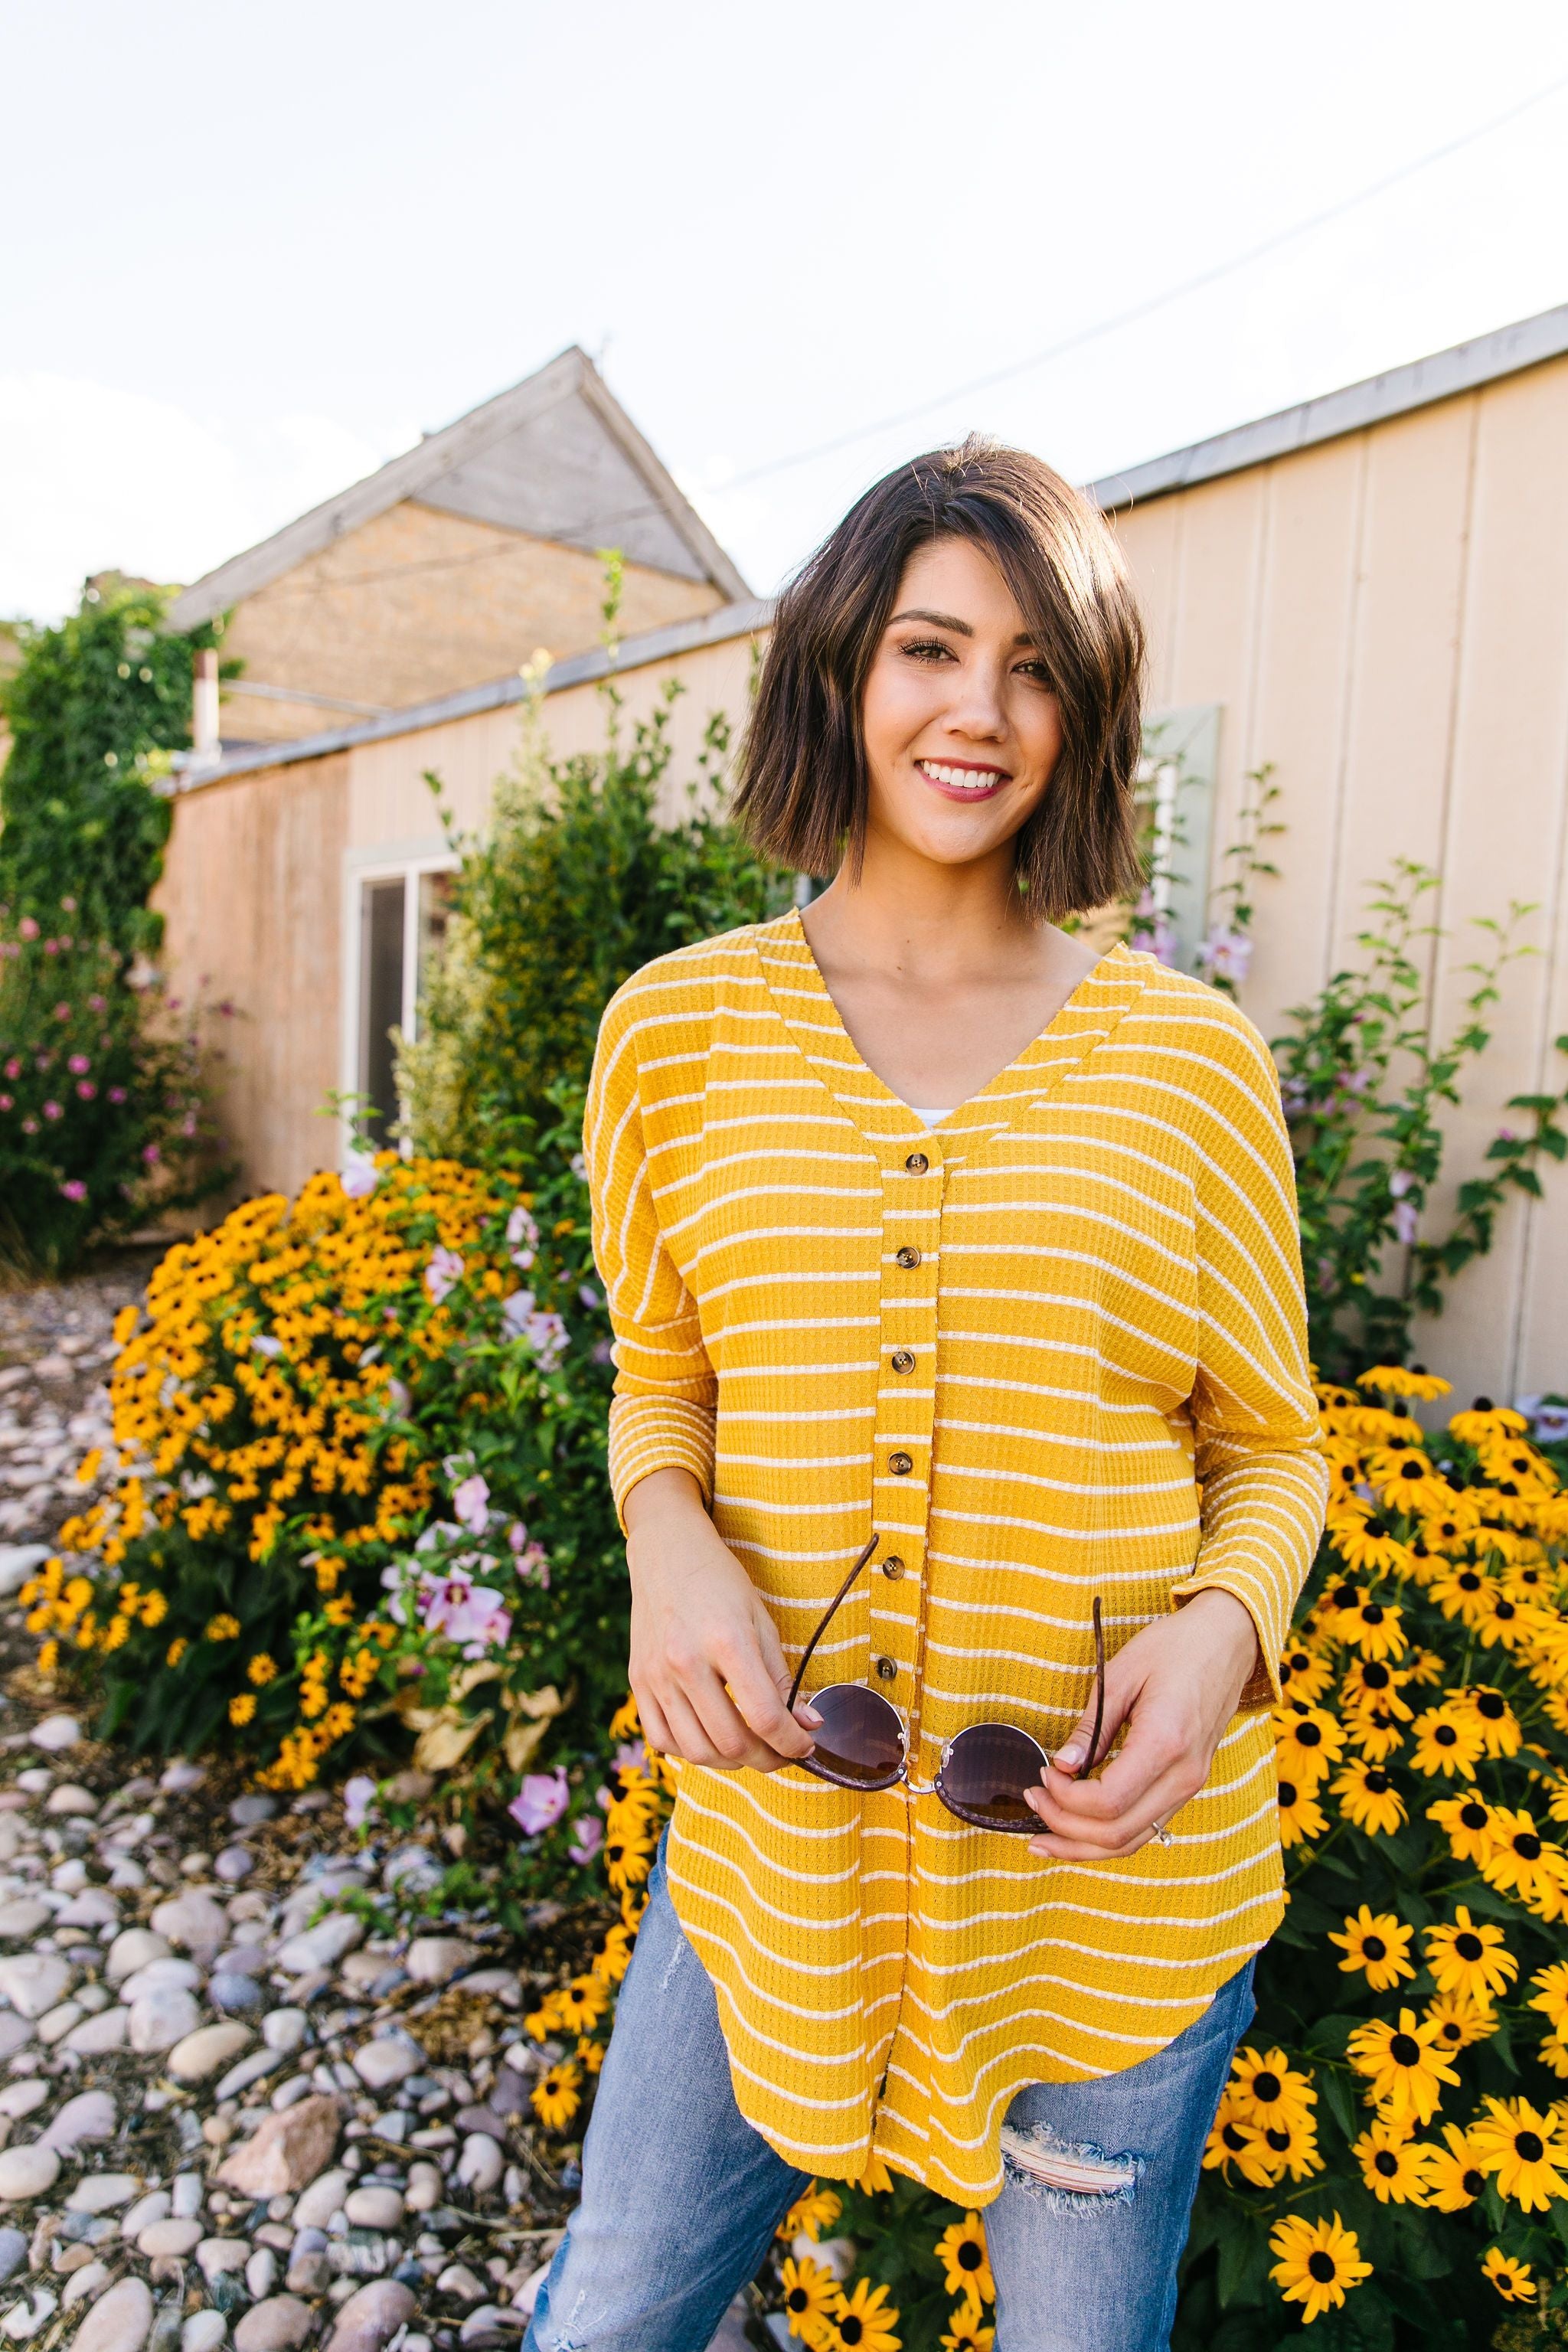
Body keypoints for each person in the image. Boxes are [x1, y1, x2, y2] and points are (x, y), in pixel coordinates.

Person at [524, 439, 1330, 2352]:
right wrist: (666, 1542)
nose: (982, 710)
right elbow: (666, 1375)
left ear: (1089, 709)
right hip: (760, 1877)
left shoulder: (1189, 1064)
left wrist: (1224, 1636)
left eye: (1039, 664)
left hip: (1112, 1900)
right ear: (839, 673)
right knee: (608, 2320)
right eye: (930, 648)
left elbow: (1272, 1445)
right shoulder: (675, 1035)